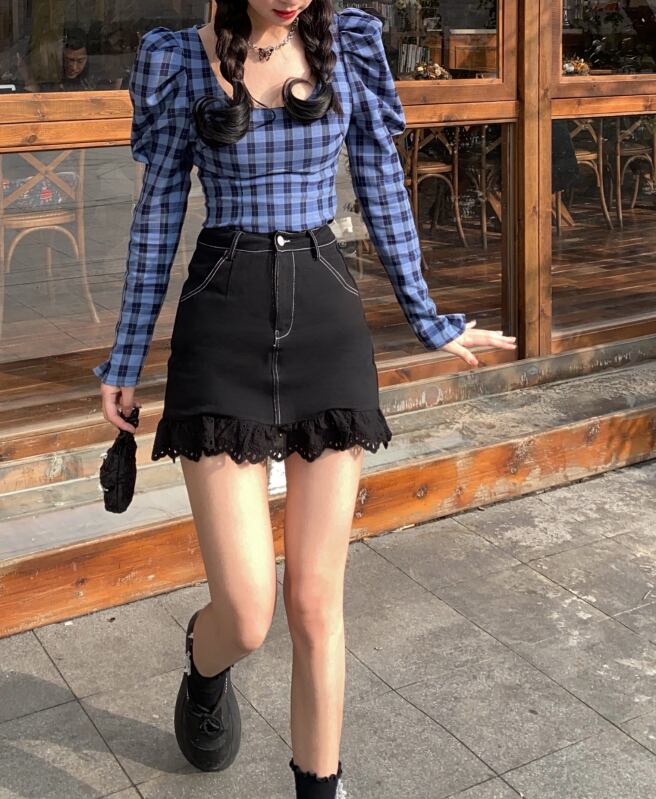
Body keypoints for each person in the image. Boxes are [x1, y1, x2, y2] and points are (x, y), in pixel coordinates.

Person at [94, 1, 517, 796]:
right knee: (247, 612)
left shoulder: (348, 44)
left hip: (326, 322)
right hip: (222, 326)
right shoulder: (179, 59)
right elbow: (157, 216)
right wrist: (125, 355)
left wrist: (427, 316)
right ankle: (204, 663)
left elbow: (382, 181)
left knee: (317, 603)